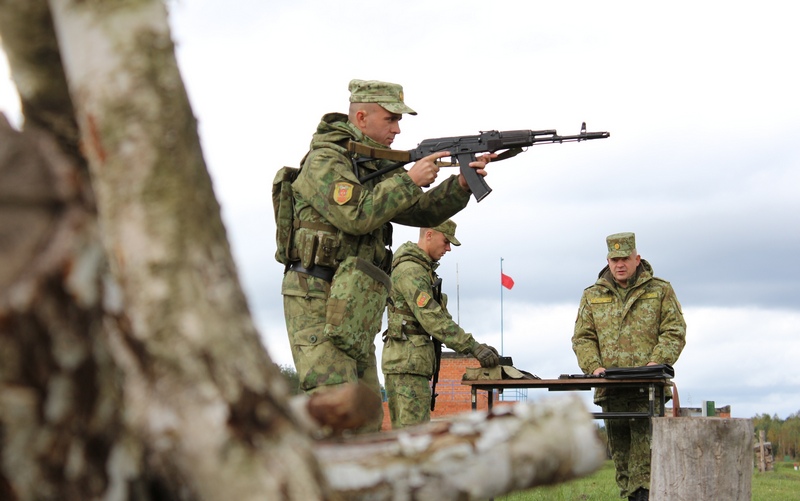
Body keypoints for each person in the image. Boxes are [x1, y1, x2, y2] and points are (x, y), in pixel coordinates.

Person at [281, 79, 493, 433]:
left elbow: (421, 211)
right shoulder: (326, 161)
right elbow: (356, 215)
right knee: (337, 410)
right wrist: (410, 179)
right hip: (316, 298)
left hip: (355, 305)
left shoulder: (369, 163)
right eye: (391, 119)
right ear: (361, 117)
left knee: (365, 418)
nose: (397, 129)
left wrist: (460, 185)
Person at [572, 232, 687, 501]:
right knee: (622, 463)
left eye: (624, 258)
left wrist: (656, 361)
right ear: (607, 260)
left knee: (646, 463)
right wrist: (594, 366)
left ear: (637, 259)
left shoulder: (660, 290)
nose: (619, 264)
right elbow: (582, 338)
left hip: (647, 390)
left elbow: (674, 331)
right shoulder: (592, 294)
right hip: (611, 390)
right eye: (614, 259)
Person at [381, 220, 500, 429]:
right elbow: (433, 319)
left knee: (408, 439)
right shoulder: (412, 271)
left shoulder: (421, 270)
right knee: (414, 438)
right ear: (429, 235)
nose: (448, 248)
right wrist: (473, 347)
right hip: (407, 366)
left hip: (408, 363)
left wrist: (475, 346)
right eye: (446, 241)